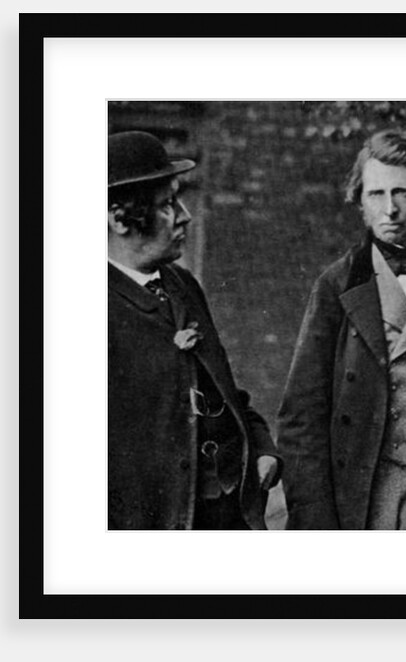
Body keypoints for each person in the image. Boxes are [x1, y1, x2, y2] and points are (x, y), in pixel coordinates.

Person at [277, 130, 406, 530]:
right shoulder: (336, 285)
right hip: (372, 492)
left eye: (402, 193)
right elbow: (301, 417)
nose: (389, 209)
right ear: (359, 201)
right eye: (376, 194)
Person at [108, 130, 281, 529]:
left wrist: (261, 447)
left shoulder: (182, 285)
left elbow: (225, 390)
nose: (185, 215)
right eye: (167, 204)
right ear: (118, 218)